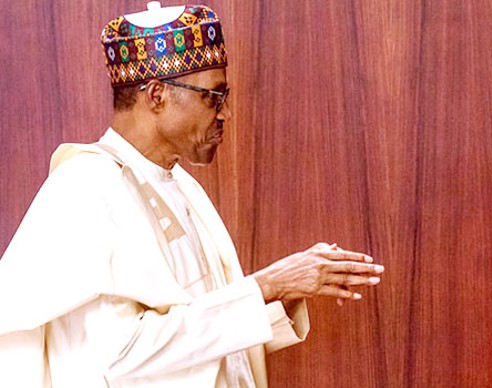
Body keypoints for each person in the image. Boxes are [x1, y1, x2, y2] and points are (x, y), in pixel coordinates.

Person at [0, 4, 384, 387]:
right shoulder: (84, 189)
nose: (224, 114)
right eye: (212, 97)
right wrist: (265, 286)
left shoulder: (180, 185)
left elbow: (202, 345)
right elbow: (118, 362)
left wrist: (280, 299)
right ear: (156, 95)